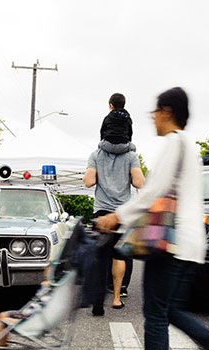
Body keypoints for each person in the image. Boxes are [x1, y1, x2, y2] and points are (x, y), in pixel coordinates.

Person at [94, 87, 209, 350]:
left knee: (156, 314)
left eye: (156, 111)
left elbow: (152, 192)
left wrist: (115, 217)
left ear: (168, 111)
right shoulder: (190, 146)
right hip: (190, 244)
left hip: (171, 244)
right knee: (170, 311)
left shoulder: (174, 143)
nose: (153, 117)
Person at [84, 95, 145, 315]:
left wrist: (98, 173)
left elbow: (89, 181)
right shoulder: (131, 156)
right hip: (122, 214)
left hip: (101, 212)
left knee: (101, 257)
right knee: (119, 256)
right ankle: (117, 298)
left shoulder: (96, 155)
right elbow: (139, 182)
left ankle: (98, 301)